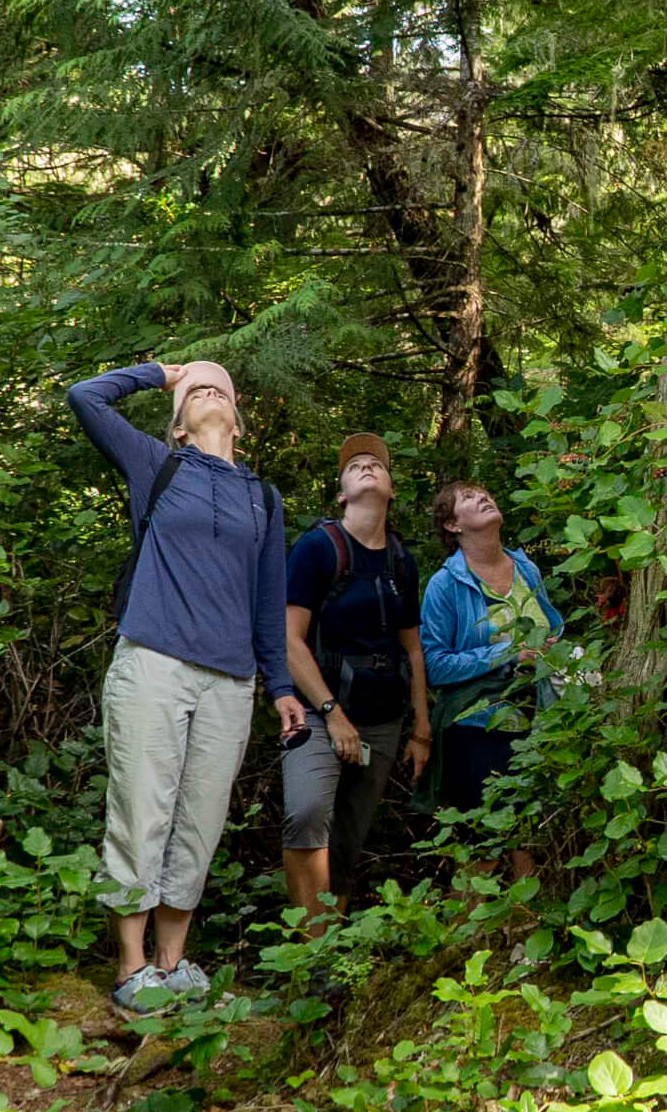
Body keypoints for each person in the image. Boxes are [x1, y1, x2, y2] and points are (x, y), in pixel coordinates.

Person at [66, 359, 300, 1011]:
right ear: (175, 421)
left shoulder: (264, 496)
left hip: (231, 682)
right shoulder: (156, 467)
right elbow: (84, 394)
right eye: (195, 390)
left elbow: (267, 600)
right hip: (154, 663)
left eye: (219, 386)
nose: (207, 391)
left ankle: (171, 964)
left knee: (198, 825)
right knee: (143, 811)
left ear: (239, 414)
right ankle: (130, 968)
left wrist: (280, 686)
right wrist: (164, 371)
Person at [280, 434, 429, 921]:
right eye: (355, 466)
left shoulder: (401, 561)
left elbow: (413, 647)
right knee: (306, 816)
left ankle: (332, 946)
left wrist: (420, 730)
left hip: (383, 720)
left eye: (377, 465)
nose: (367, 468)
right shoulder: (318, 548)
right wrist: (331, 713)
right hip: (319, 711)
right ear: (341, 492)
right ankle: (309, 946)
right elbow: (289, 641)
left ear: (390, 489)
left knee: (350, 834)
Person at [418, 480, 564, 821]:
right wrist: (508, 655)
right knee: (487, 843)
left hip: (541, 722)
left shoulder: (526, 569)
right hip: (478, 725)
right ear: (452, 525)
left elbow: (550, 628)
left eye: (486, 493)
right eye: (469, 497)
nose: (484, 496)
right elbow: (435, 665)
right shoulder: (447, 584)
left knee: (530, 842)